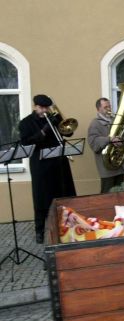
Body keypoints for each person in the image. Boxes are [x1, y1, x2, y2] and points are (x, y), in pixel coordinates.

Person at [19, 94, 76, 243]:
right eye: (42, 108)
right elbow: (26, 143)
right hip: (40, 166)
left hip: (59, 164)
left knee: (63, 194)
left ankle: (66, 226)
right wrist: (44, 130)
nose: (45, 110)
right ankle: (40, 231)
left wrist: (60, 120)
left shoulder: (53, 118)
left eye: (47, 107)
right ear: (36, 107)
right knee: (41, 198)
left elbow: (68, 132)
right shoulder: (26, 123)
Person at [87, 97, 124, 193]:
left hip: (119, 164)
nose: (109, 109)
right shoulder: (95, 124)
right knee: (107, 194)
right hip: (106, 166)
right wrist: (109, 139)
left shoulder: (115, 121)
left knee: (120, 193)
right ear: (98, 109)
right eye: (105, 107)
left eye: (109, 106)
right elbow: (93, 143)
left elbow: (122, 136)